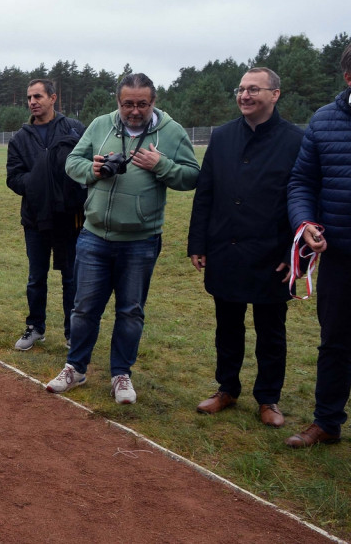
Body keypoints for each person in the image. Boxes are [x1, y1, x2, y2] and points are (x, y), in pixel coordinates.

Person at [46, 72, 198, 404]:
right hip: (94, 235)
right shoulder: (101, 125)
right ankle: (76, 367)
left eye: (141, 104)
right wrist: (93, 169)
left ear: (153, 102)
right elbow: (73, 161)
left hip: (141, 240)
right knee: (84, 308)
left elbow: (192, 175)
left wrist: (162, 164)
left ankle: (121, 375)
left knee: (130, 311)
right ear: (119, 101)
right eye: (127, 103)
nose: (134, 111)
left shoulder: (170, 132)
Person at [187, 67, 302, 428]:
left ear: (275, 94)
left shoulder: (296, 140)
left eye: (254, 89)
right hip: (225, 249)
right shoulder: (221, 137)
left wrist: (291, 254)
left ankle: (268, 398)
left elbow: (302, 197)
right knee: (228, 326)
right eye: (241, 89)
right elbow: (205, 193)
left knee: (271, 331)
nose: (245, 95)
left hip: (272, 254)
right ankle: (227, 389)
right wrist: (198, 242)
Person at [284, 41, 351, 448]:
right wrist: (304, 221)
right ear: (348, 76)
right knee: (335, 342)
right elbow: (302, 182)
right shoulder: (324, 121)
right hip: (341, 257)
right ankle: (327, 421)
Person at [5, 79, 86, 351]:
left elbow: (87, 163)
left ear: (53, 97)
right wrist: (38, 182)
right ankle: (35, 327)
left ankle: (72, 332)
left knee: (71, 277)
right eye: (29, 97)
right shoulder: (20, 138)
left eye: (38, 96)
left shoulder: (74, 129)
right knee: (36, 277)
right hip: (35, 217)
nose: (32, 102)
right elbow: (13, 178)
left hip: (68, 217)